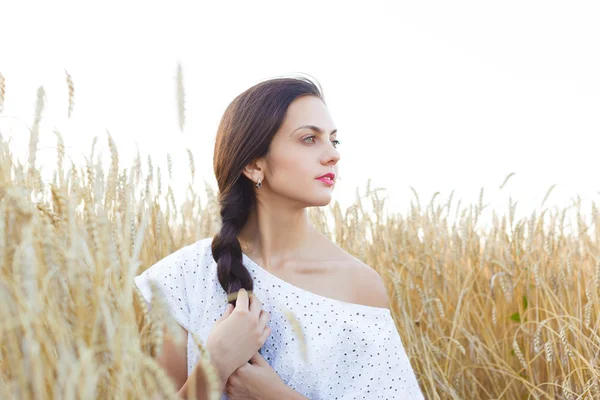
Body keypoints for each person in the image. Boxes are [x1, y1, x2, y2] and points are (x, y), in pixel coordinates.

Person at [134, 75, 424, 399]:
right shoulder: (182, 277)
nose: (333, 155)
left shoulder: (360, 287)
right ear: (254, 165)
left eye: (333, 140)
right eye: (309, 139)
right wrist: (214, 364)